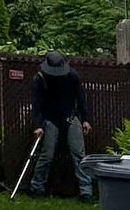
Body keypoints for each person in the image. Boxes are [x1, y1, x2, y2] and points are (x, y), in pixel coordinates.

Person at [26, 52, 93, 199]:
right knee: (46, 155)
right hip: (50, 119)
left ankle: (86, 191)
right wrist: (38, 125)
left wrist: (85, 119)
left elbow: (81, 99)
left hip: (70, 116)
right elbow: (37, 105)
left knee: (79, 155)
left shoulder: (72, 76)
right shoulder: (40, 79)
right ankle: (37, 187)